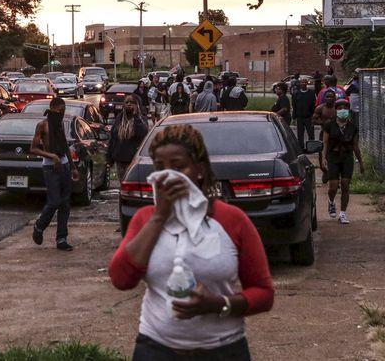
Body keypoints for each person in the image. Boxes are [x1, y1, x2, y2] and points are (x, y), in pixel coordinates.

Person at [109, 124, 274, 360]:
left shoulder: (232, 221)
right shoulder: (145, 220)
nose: (168, 176)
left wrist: (217, 304)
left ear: (199, 169)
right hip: (156, 349)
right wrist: (160, 216)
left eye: (178, 167)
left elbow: (264, 293)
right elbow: (121, 279)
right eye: (159, 168)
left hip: (223, 350)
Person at [30, 97, 79, 251]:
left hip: (64, 166)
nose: (62, 113)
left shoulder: (60, 125)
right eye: (60, 110)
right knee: (54, 201)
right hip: (50, 168)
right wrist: (52, 156)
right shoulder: (42, 125)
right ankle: (39, 226)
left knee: (65, 203)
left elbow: (65, 146)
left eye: (64, 110)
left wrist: (72, 167)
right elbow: (33, 148)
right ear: (52, 109)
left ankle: (62, 238)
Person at [321, 99, 364, 224]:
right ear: (336, 110)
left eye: (345, 108)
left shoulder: (353, 127)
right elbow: (325, 143)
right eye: (339, 108)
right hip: (333, 157)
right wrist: (323, 158)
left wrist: (361, 163)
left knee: (345, 185)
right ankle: (331, 201)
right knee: (333, 187)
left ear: (348, 110)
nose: (342, 110)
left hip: (347, 158)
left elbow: (356, 146)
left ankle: (343, 213)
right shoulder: (329, 125)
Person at [107, 95, 148, 182]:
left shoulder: (141, 119)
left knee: (133, 185)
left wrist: (135, 116)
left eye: (132, 103)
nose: (129, 104)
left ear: (137, 105)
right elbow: (113, 138)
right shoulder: (119, 119)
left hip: (134, 161)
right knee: (123, 184)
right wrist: (110, 157)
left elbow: (141, 133)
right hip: (120, 159)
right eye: (127, 102)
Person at [292, 78, 317, 151]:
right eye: (302, 82)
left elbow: (313, 105)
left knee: (311, 133)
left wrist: (313, 116)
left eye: (305, 82)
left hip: (309, 117)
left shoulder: (311, 93)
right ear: (300, 83)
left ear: (307, 83)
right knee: (300, 134)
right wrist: (294, 117)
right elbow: (294, 106)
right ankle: (301, 148)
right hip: (299, 117)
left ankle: (312, 148)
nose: (303, 84)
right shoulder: (296, 93)